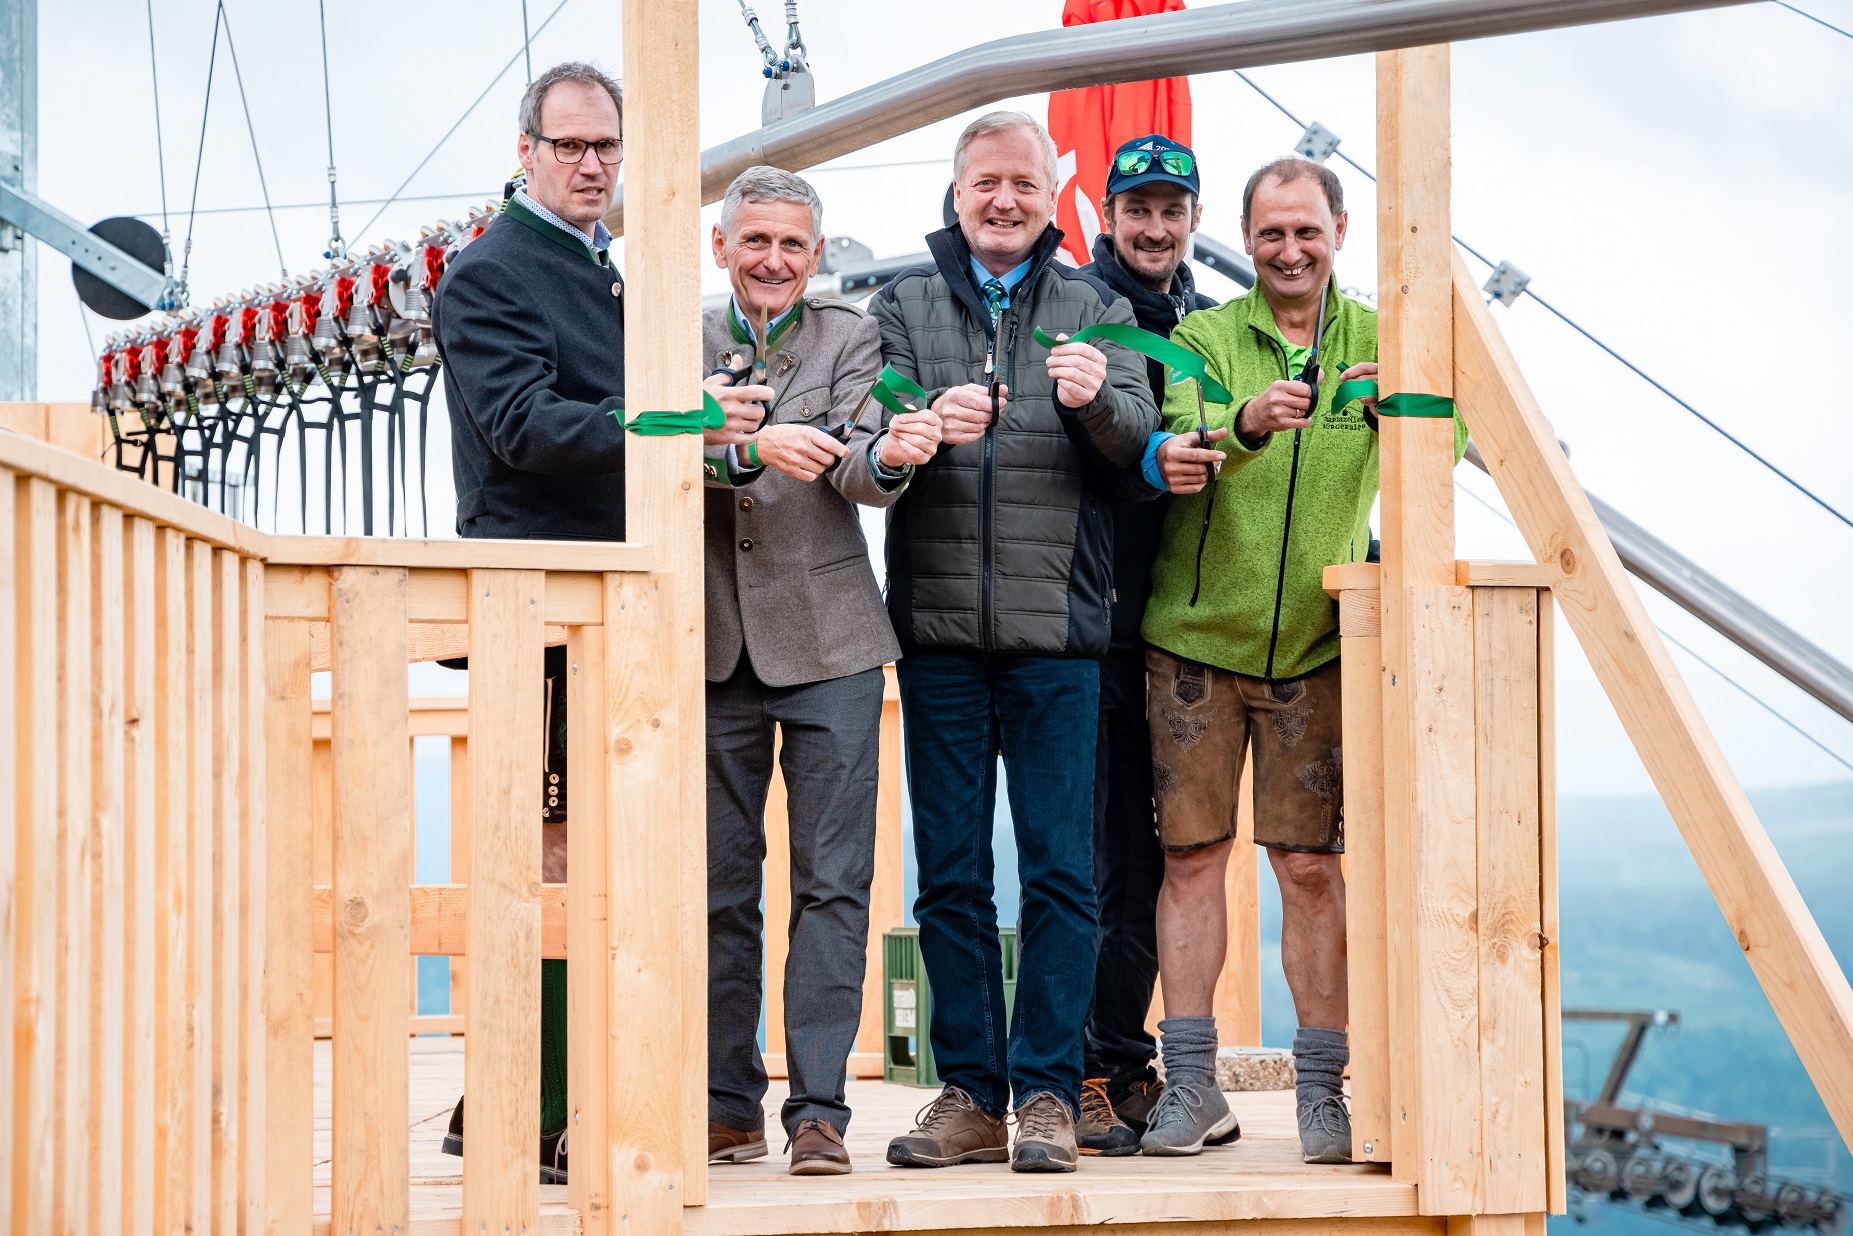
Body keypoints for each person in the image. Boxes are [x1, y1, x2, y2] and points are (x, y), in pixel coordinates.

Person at [429, 60, 759, 1183]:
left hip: (614, 602)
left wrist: (705, 427)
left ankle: (516, 1097)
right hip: (539, 605)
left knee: (590, 854)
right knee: (556, 855)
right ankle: (539, 1107)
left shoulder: (602, 270)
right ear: (525, 152)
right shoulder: (490, 272)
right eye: (569, 146)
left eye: (606, 147)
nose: (591, 165)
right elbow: (524, 427)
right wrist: (679, 426)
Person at [1135, 156, 1463, 1162]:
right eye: (1269, 233)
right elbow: (1173, 444)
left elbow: (1446, 457)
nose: (1287, 251)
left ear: (1339, 231)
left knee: (1309, 868)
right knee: (1190, 860)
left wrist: (1389, 420)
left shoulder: (1382, 338)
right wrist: (1241, 423)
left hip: (1315, 646)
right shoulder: (1200, 335)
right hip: (1191, 640)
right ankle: (1188, 1085)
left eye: (1304, 233)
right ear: (1243, 234)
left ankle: (1323, 1092)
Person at [873, 110, 1157, 1174]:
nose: (1003, 200)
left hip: (1056, 636)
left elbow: (1136, 439)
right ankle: (967, 1091)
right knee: (947, 873)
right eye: (985, 181)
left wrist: (1091, 406)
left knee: (1059, 875)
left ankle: (1043, 1091)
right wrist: (914, 422)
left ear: (1052, 197)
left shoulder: (1095, 303)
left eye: (1023, 185)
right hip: (938, 631)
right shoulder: (899, 302)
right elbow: (874, 415)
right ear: (955, 193)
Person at [698, 166, 943, 1176]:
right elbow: (650, 454)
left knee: (834, 886)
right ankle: (722, 1104)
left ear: (815, 252)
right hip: (708, 643)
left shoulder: (851, 336)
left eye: (792, 244)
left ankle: (818, 1114)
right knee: (715, 886)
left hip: (835, 642)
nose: (773, 260)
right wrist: (731, 450)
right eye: (755, 241)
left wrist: (890, 457)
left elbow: (855, 466)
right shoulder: (673, 339)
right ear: (721, 248)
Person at [1071, 133, 1217, 1157]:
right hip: (1083, 626)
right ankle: (1074, 1066)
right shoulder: (1078, 313)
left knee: (1152, 860)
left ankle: (1123, 1063)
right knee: (1080, 860)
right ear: (1108, 216)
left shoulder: (1213, 330)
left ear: (1191, 218)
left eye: (1170, 209)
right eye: (1136, 210)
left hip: (1173, 634)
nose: (1153, 227)